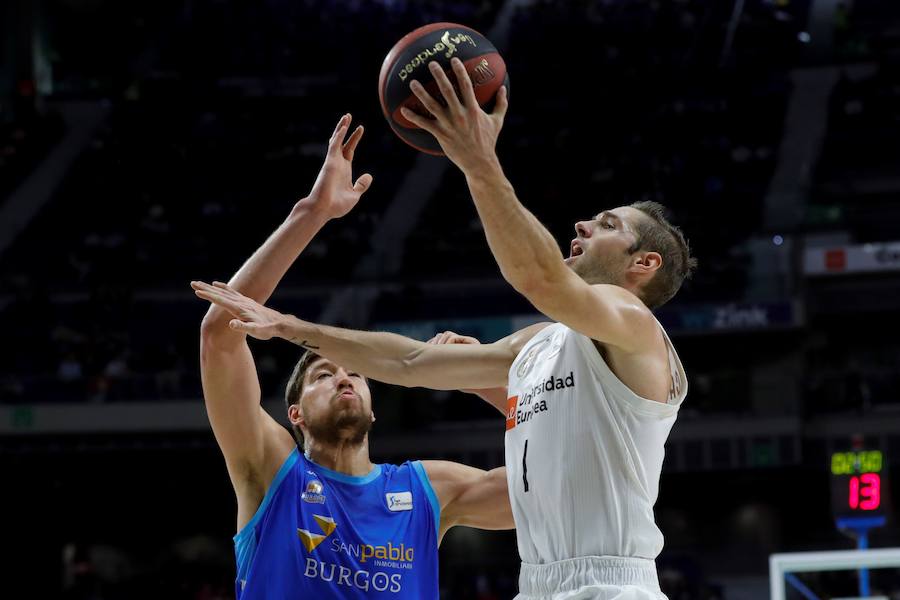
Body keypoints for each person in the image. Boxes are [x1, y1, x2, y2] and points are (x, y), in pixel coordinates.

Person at [192, 60, 697, 600]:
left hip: (611, 584)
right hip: (541, 585)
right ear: (292, 412)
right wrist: (291, 324)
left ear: (643, 265)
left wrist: (479, 161)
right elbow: (409, 364)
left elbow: (538, 279)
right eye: (322, 375)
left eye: (609, 225)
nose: (582, 225)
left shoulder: (632, 323)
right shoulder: (537, 347)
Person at [194, 114, 513, 599]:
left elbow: (558, 486)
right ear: (295, 414)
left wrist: (480, 383)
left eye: (356, 374)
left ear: (373, 406)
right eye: (324, 374)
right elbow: (220, 333)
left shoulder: (428, 488)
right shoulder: (271, 468)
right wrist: (312, 211)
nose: (345, 379)